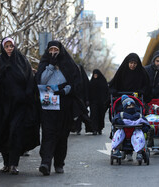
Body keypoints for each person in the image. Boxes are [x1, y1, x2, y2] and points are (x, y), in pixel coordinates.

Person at [0, 37, 41, 175]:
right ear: (3, 48)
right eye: (7, 46)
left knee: (15, 132)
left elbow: (29, 80)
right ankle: (6, 163)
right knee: (3, 133)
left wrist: (27, 97)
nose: (10, 49)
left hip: (19, 106)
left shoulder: (22, 61)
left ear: (15, 47)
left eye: (11, 46)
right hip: (2, 107)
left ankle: (14, 164)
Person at [35, 40, 82, 176]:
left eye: (56, 50)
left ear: (60, 51)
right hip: (48, 103)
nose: (53, 53)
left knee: (62, 134)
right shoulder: (45, 64)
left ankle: (59, 163)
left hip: (65, 104)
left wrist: (65, 90)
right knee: (48, 133)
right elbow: (42, 80)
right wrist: (50, 65)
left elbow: (74, 84)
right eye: (51, 50)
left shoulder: (68, 65)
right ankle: (46, 162)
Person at [109, 53, 151, 161]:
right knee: (121, 122)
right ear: (127, 63)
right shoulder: (121, 72)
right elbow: (113, 85)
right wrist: (114, 91)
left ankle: (132, 150)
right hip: (121, 103)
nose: (133, 65)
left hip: (135, 103)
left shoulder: (142, 73)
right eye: (131, 63)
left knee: (136, 123)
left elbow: (147, 87)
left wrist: (141, 92)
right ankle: (123, 148)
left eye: (135, 63)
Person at [111, 95, 149, 161]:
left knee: (139, 137)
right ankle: (116, 150)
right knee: (118, 134)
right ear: (125, 107)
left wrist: (145, 127)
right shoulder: (121, 114)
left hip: (135, 131)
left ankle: (139, 152)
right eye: (128, 106)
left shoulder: (138, 115)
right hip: (124, 131)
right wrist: (118, 121)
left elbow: (145, 121)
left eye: (132, 105)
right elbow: (114, 119)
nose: (131, 107)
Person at [89, 69, 109, 135]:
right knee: (94, 115)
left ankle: (99, 128)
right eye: (94, 75)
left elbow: (106, 91)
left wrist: (105, 100)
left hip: (102, 102)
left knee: (100, 115)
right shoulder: (91, 82)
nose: (95, 76)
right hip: (93, 102)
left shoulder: (103, 81)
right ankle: (94, 129)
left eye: (96, 75)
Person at [74, 64, 91, 135]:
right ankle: (77, 129)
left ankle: (90, 127)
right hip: (76, 99)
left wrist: (87, 99)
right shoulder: (74, 77)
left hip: (83, 100)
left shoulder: (84, 79)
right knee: (77, 115)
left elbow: (87, 89)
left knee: (83, 115)